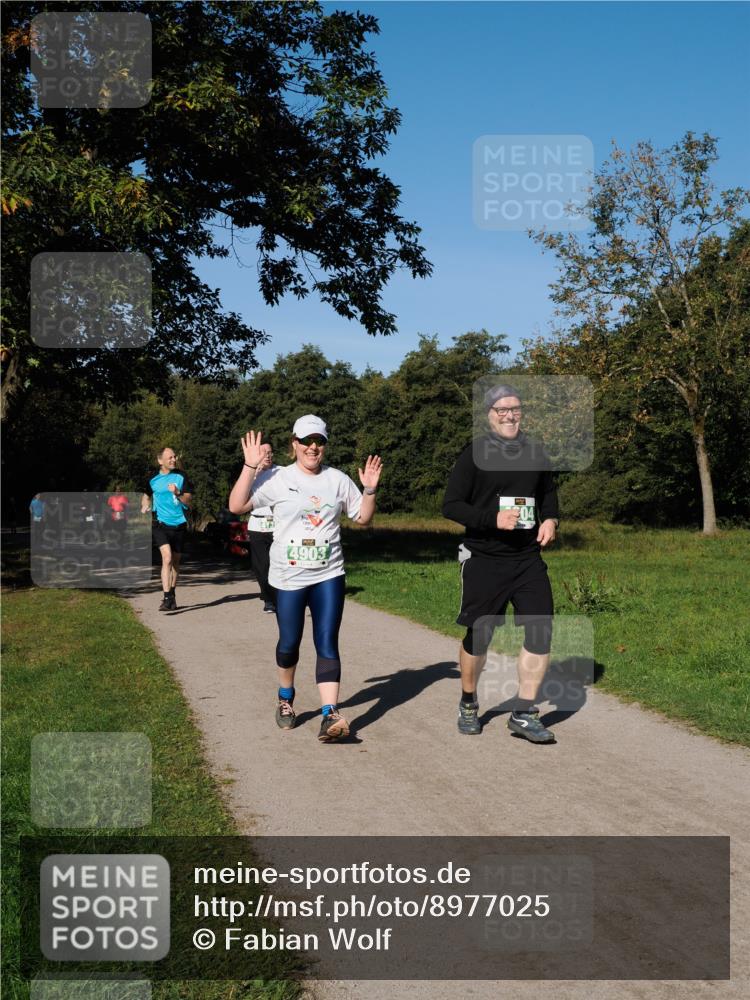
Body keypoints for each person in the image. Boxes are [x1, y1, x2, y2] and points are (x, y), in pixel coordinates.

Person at [228, 415, 382, 742]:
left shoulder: (337, 480)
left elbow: (363, 518)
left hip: (329, 574)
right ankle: (286, 697)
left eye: (319, 441)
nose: (313, 447)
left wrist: (369, 490)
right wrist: (249, 467)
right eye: (307, 441)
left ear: (325, 445)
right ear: (294, 444)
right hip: (288, 577)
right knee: (289, 643)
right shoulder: (278, 478)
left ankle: (330, 714)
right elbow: (237, 505)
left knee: (326, 640)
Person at [442, 384, 559, 744]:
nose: (510, 415)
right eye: (502, 409)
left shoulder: (536, 452)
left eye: (515, 409)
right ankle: (468, 702)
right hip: (484, 557)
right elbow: (451, 505)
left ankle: (524, 713)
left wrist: (550, 519)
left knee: (540, 629)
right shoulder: (474, 454)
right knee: (480, 634)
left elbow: (548, 493)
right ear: (489, 415)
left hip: (526, 558)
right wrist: (492, 520)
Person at [141, 448, 193, 612]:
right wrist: (145, 505)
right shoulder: (152, 479)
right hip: (160, 524)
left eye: (174, 457)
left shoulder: (181, 476)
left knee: (175, 562)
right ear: (160, 461)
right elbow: (146, 496)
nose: (173, 459)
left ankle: (172, 594)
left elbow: (188, 500)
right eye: (169, 457)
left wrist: (178, 493)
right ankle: (167, 597)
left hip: (179, 524)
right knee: (167, 557)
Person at [230, 441, 279, 613]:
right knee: (261, 566)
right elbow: (239, 499)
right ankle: (268, 598)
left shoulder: (281, 472)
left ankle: (281, 597)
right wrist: (252, 475)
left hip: (278, 525)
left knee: (277, 563)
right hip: (258, 524)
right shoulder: (249, 474)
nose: (267, 455)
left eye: (270, 452)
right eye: (264, 452)